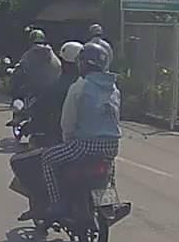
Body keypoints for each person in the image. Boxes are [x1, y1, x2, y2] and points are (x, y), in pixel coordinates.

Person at [39, 42, 121, 217]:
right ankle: (108, 202)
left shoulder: (80, 86)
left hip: (84, 145)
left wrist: (67, 140)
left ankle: (58, 202)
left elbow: (67, 121)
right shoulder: (114, 88)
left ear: (83, 64)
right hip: (112, 146)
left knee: (47, 158)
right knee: (108, 166)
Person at [25, 41, 83, 145]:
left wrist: (30, 126)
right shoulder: (89, 84)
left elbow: (41, 107)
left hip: (62, 137)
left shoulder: (60, 85)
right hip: (92, 140)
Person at [15, 28, 61, 99]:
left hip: (34, 90)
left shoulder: (29, 54)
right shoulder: (52, 54)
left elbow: (20, 68)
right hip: (53, 90)